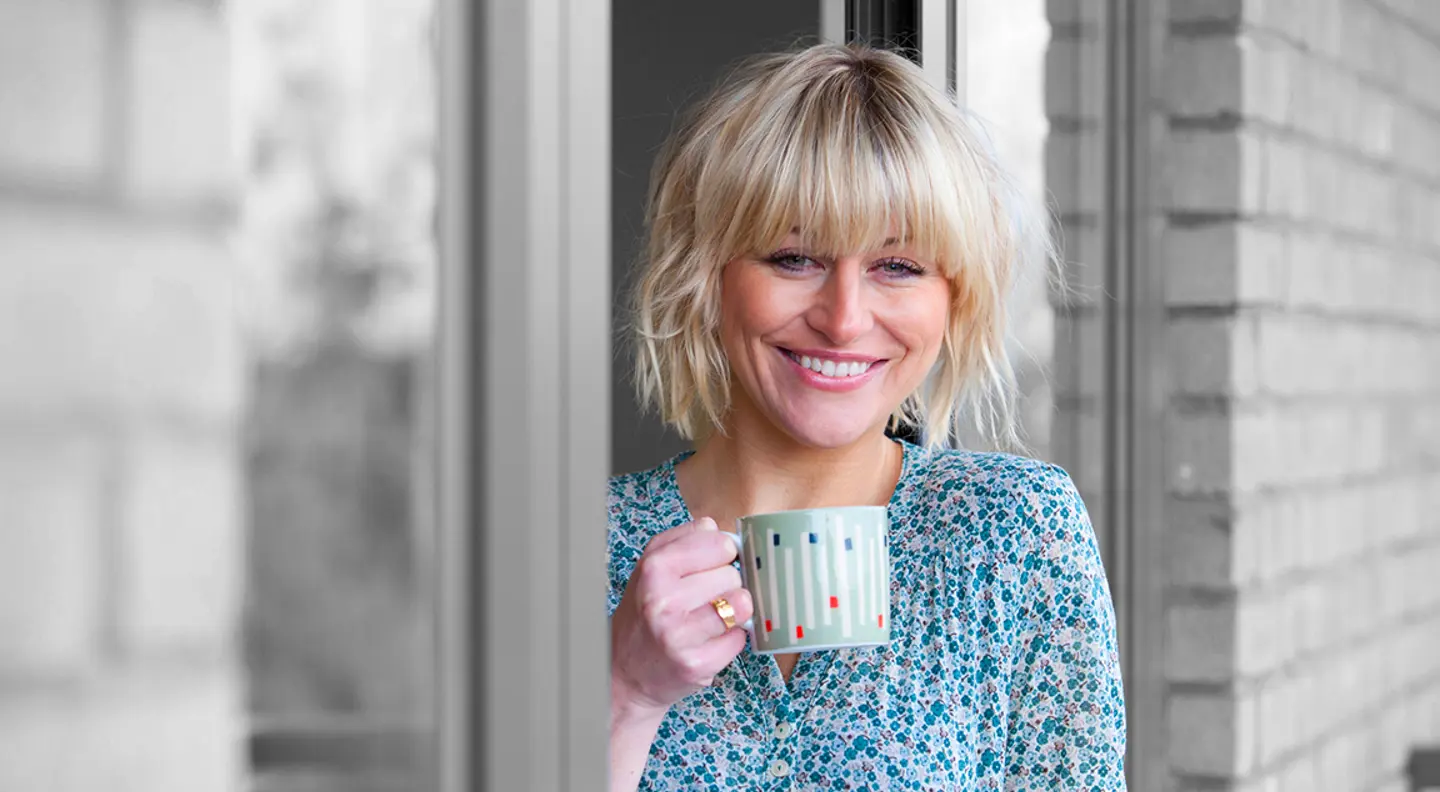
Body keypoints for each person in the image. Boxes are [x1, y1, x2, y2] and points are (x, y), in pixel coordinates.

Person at [607, 43, 1126, 790]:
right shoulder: (579, 551)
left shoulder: (1015, 535)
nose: (844, 319)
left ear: (953, 299)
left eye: (898, 266)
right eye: (794, 257)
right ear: (705, 277)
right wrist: (625, 693)